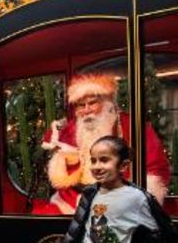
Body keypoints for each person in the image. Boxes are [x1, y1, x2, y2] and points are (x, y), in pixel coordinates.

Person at [39, 73, 171, 213]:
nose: (86, 110)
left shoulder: (133, 127)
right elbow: (60, 173)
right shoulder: (70, 129)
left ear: (109, 103)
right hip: (72, 202)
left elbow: (156, 169)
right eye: (80, 105)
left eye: (93, 103)